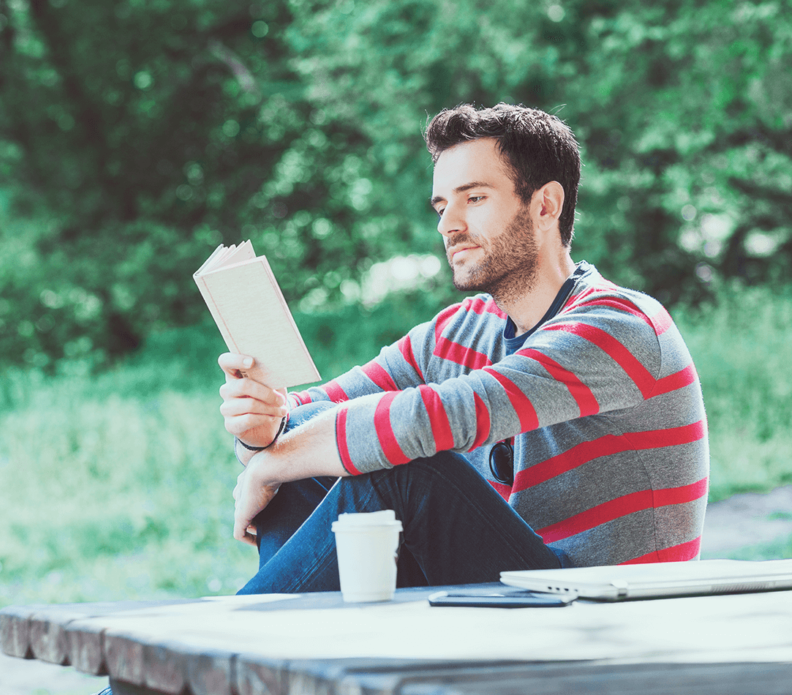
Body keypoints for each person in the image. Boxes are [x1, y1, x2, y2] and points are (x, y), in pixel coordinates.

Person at [217, 103, 709, 593]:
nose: (447, 225)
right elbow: (313, 414)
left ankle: (239, 640)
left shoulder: (619, 326)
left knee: (405, 467)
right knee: (310, 455)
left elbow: (433, 420)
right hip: (509, 590)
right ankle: (286, 651)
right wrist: (263, 428)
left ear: (544, 206)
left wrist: (273, 460)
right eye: (440, 206)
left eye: (473, 198)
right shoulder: (461, 330)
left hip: (602, 610)